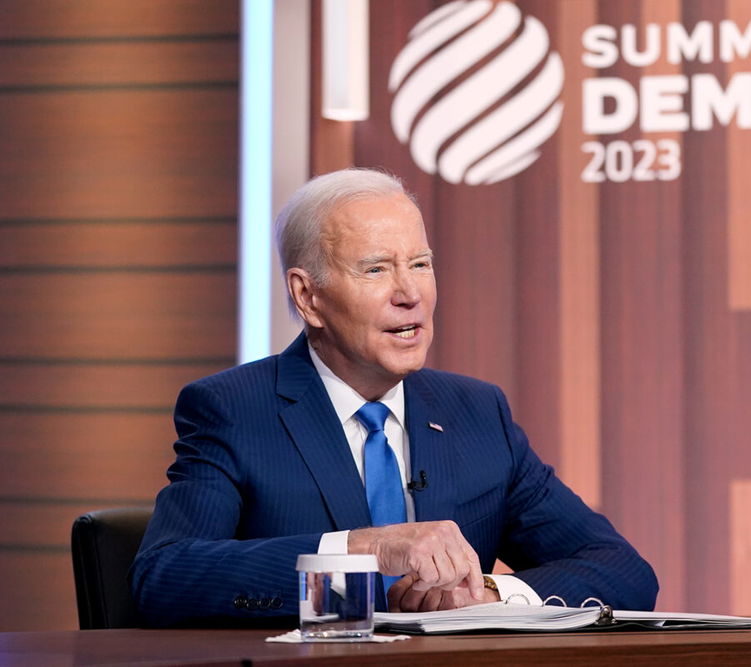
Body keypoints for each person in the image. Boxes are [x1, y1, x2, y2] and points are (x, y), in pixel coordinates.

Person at [131, 168, 657, 626]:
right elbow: (165, 577)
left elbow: (622, 571)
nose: (410, 293)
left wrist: (487, 596)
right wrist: (360, 552)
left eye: (421, 264)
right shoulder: (234, 410)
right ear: (307, 296)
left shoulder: (476, 414)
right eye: (377, 269)